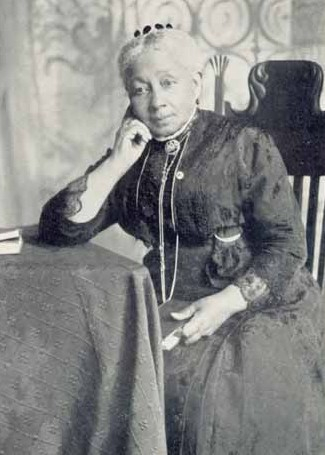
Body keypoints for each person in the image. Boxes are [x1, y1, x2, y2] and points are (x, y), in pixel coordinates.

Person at [39, 24, 325, 454]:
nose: (157, 102)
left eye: (168, 83)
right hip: (162, 300)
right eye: (140, 90)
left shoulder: (244, 144)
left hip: (254, 304)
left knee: (199, 395)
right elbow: (59, 229)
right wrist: (117, 162)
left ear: (195, 82)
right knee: (92, 371)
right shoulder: (134, 155)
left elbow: (287, 247)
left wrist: (226, 302)